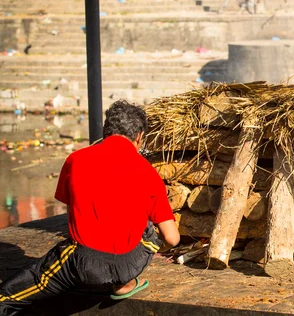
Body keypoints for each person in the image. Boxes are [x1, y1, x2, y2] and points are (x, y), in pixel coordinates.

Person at [0, 101, 180, 315]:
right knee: (149, 231)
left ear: (105, 131)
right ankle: (124, 283)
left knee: (6, 297)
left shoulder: (76, 160)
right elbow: (172, 238)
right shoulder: (149, 173)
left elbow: (70, 208)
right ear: (139, 136)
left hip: (82, 264)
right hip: (130, 264)